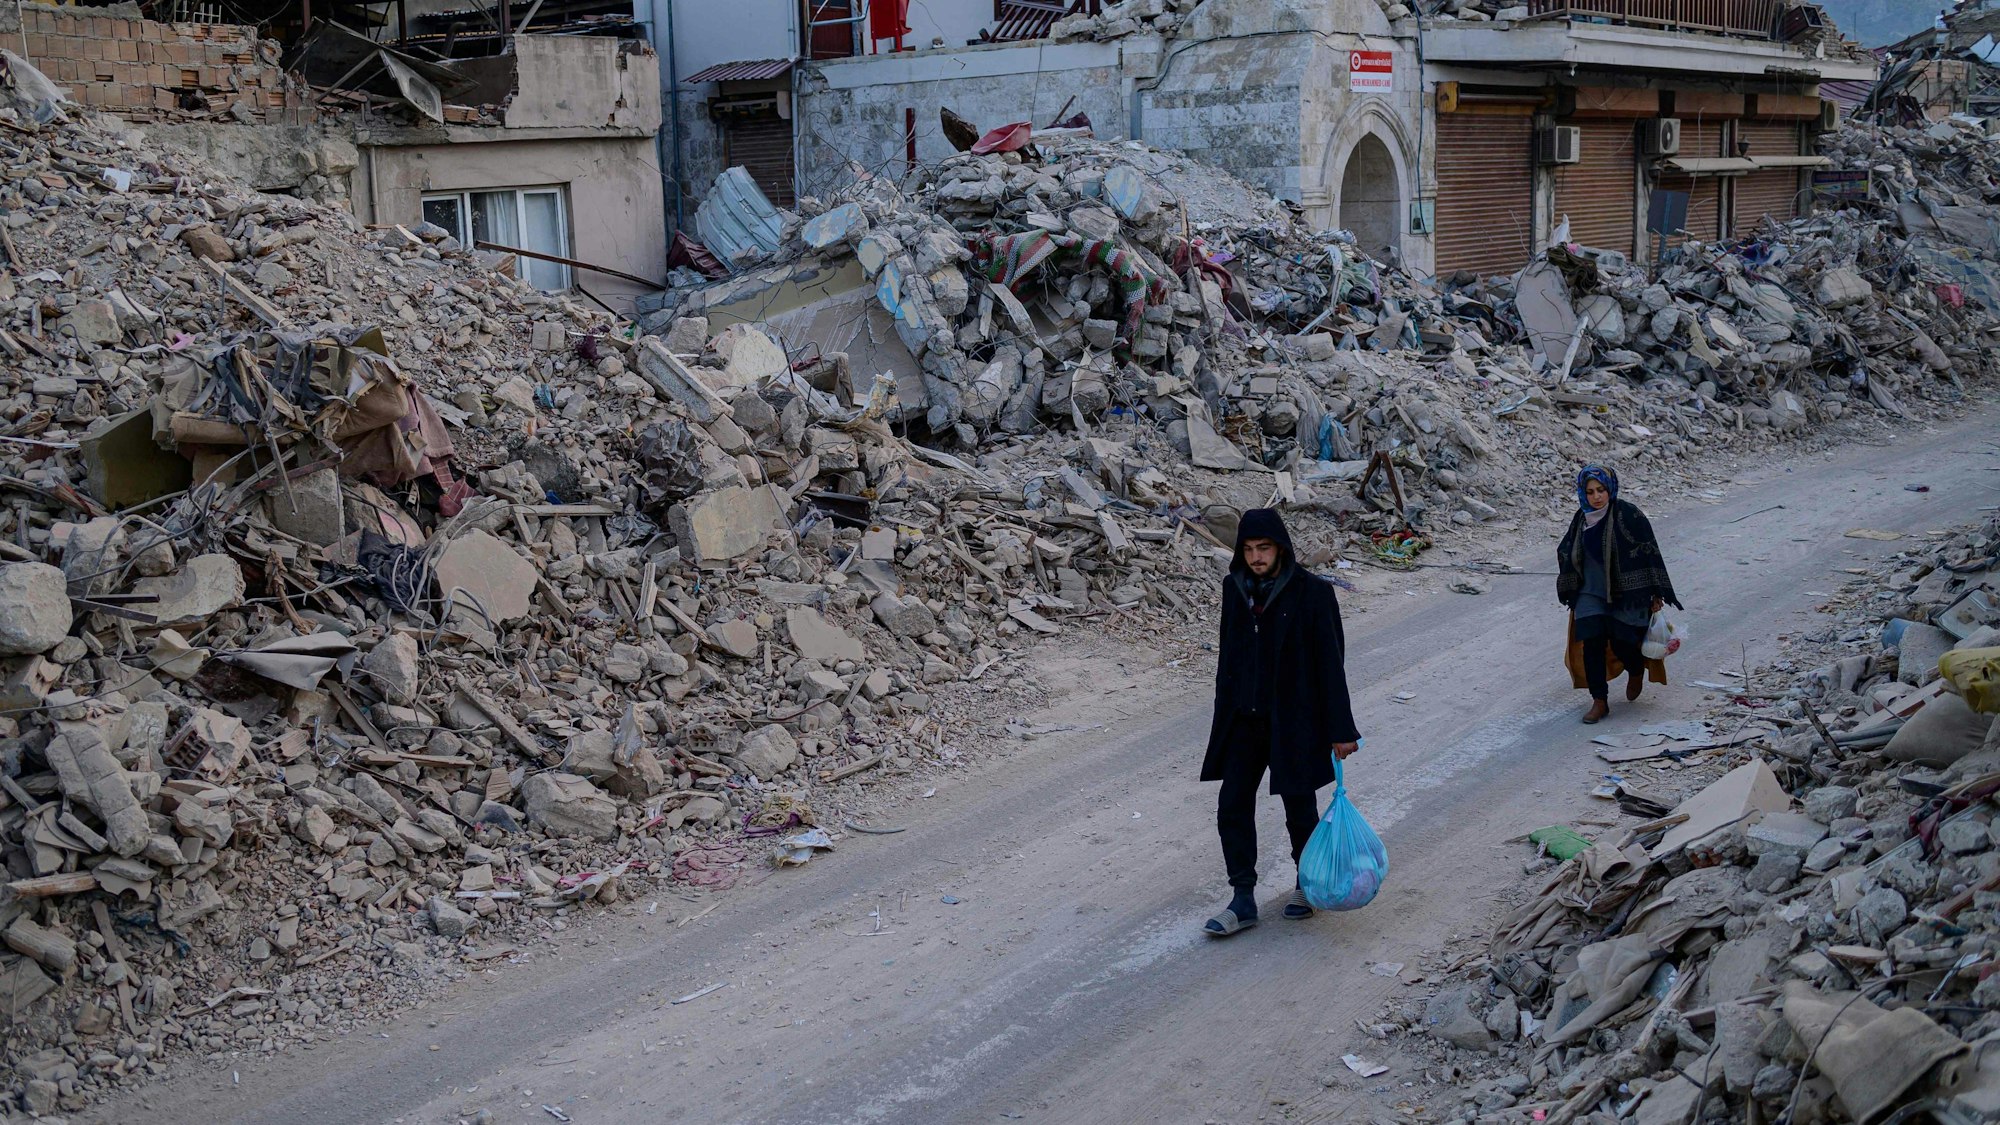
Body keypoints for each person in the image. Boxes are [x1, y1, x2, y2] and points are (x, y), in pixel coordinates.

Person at [1199, 509, 1360, 937]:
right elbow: (1227, 659)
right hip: (1243, 720)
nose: (1255, 557)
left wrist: (1341, 729)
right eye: (1248, 549)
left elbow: (1330, 665)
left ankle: (1306, 885)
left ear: (1280, 549)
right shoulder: (1233, 590)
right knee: (1232, 804)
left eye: (1263, 549)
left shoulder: (1313, 593)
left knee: (1298, 807)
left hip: (1294, 719)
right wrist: (1223, 718)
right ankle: (1242, 897)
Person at [1556, 466, 1681, 724]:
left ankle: (1635, 671)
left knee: (1624, 642)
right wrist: (1571, 581)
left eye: (1600, 490)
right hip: (1590, 592)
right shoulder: (1581, 518)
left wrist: (1655, 592)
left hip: (1627, 593)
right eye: (1590, 492)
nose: (1596, 497)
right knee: (1592, 643)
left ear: (1610, 488)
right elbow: (1567, 549)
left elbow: (1649, 552)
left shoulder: (1629, 515)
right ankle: (1599, 701)